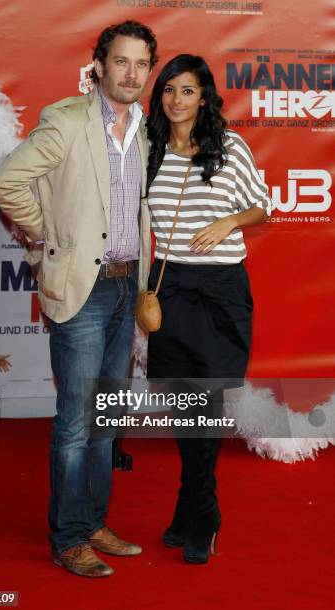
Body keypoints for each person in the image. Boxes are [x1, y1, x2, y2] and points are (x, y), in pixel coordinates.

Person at [0, 21, 157, 578]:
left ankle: (92, 523)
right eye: (120, 62)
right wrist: (49, 235)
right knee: (75, 422)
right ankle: (67, 539)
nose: (130, 73)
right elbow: (8, 181)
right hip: (82, 294)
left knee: (106, 419)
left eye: (141, 64)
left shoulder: (146, 131)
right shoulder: (66, 121)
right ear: (100, 65)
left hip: (123, 290)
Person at [146, 55, 273, 564]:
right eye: (170, 90)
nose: (177, 100)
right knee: (184, 405)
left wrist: (228, 224)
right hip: (171, 286)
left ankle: (204, 513)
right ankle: (193, 506)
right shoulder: (149, 149)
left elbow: (264, 203)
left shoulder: (229, 147)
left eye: (188, 91)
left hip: (221, 289)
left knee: (207, 404)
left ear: (205, 97)